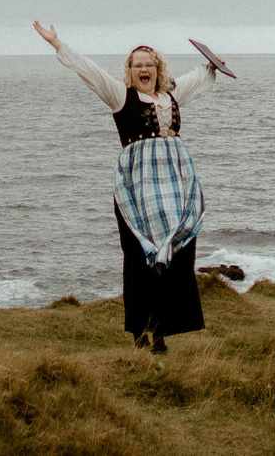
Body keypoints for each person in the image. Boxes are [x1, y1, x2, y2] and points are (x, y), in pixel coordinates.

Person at [32, 20, 222, 354]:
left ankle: (163, 330)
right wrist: (57, 43)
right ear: (130, 71)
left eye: (150, 64)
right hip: (138, 185)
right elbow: (89, 72)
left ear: (158, 68)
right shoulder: (121, 96)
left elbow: (200, 78)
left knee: (177, 251)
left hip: (175, 183)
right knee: (139, 255)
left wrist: (212, 64)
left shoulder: (170, 95)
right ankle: (139, 332)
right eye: (138, 65)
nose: (144, 69)